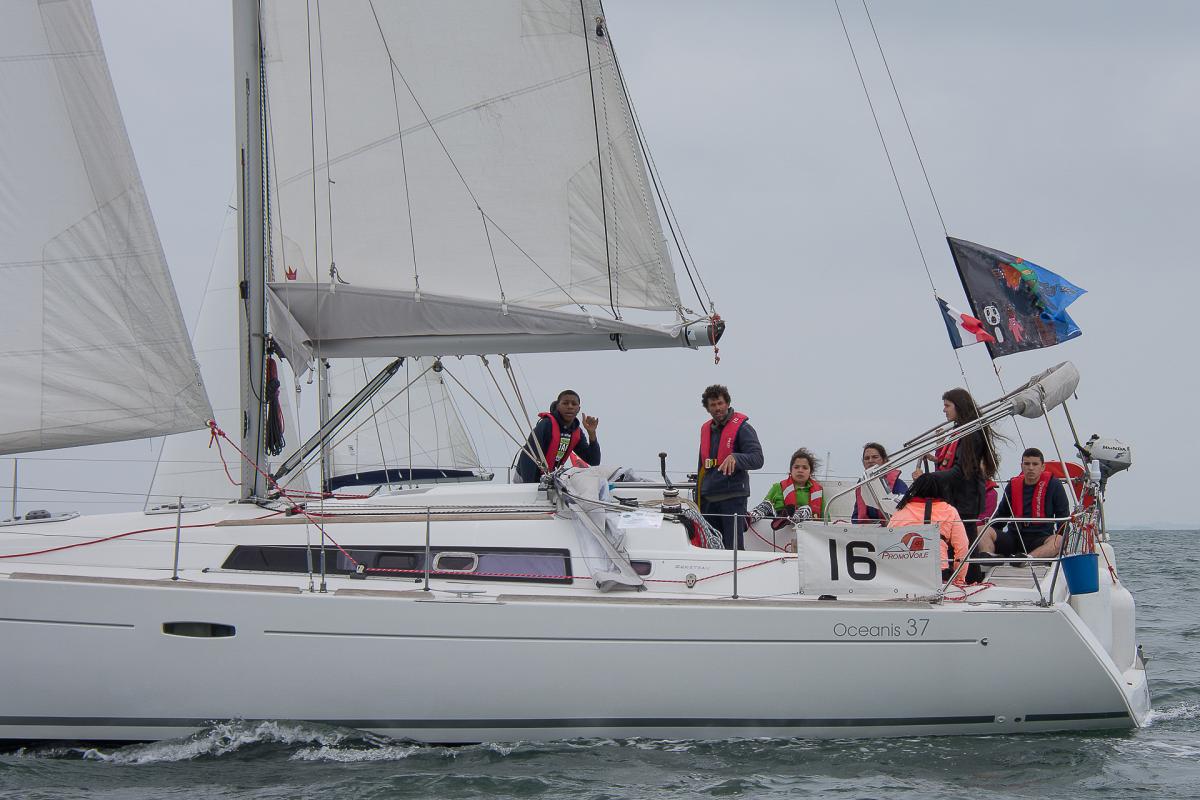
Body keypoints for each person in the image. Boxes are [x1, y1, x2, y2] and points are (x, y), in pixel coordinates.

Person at [697, 384, 763, 549]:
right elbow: (701, 467)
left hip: (733, 498)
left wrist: (736, 458)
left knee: (733, 548)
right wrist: (698, 499)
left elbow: (758, 459)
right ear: (708, 408)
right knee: (710, 547)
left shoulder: (743, 428)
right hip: (709, 499)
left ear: (727, 403)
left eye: (720, 403)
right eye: (713, 405)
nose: (717, 408)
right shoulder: (706, 431)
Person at [977, 448, 1071, 559]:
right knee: (981, 529)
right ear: (1022, 466)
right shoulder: (1013, 486)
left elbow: (1063, 518)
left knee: (1059, 540)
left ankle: (1027, 559)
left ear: (1042, 467)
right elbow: (1001, 516)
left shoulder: (1054, 485)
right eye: (1027, 464)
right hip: (1013, 539)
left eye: (1035, 464)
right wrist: (989, 535)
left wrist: (1063, 544)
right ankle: (988, 558)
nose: (1030, 468)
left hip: (1040, 539)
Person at [888, 473, 970, 585]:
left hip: (904, 573)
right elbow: (962, 547)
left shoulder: (900, 511)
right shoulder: (949, 511)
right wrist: (959, 579)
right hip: (938, 572)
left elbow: (887, 542)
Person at [513, 389, 600, 483]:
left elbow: (594, 461)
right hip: (525, 477)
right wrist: (530, 485)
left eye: (574, 404)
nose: (570, 406)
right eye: (565, 403)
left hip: (547, 479)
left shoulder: (576, 431)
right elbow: (528, 455)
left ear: (578, 409)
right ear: (558, 406)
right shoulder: (546, 425)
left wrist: (592, 433)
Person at [749, 448, 823, 529]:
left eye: (805, 468)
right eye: (796, 467)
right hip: (774, 523)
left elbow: (826, 519)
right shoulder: (777, 487)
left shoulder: (819, 493)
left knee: (806, 509)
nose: (800, 470)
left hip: (804, 528)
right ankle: (748, 518)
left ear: (810, 472)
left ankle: (789, 519)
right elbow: (765, 507)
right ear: (791, 470)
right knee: (766, 505)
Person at [853, 442, 908, 523]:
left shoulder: (898, 484)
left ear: (884, 460)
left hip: (892, 527)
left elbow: (905, 513)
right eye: (867, 458)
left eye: (875, 457)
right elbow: (855, 517)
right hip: (867, 528)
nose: (870, 461)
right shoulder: (862, 485)